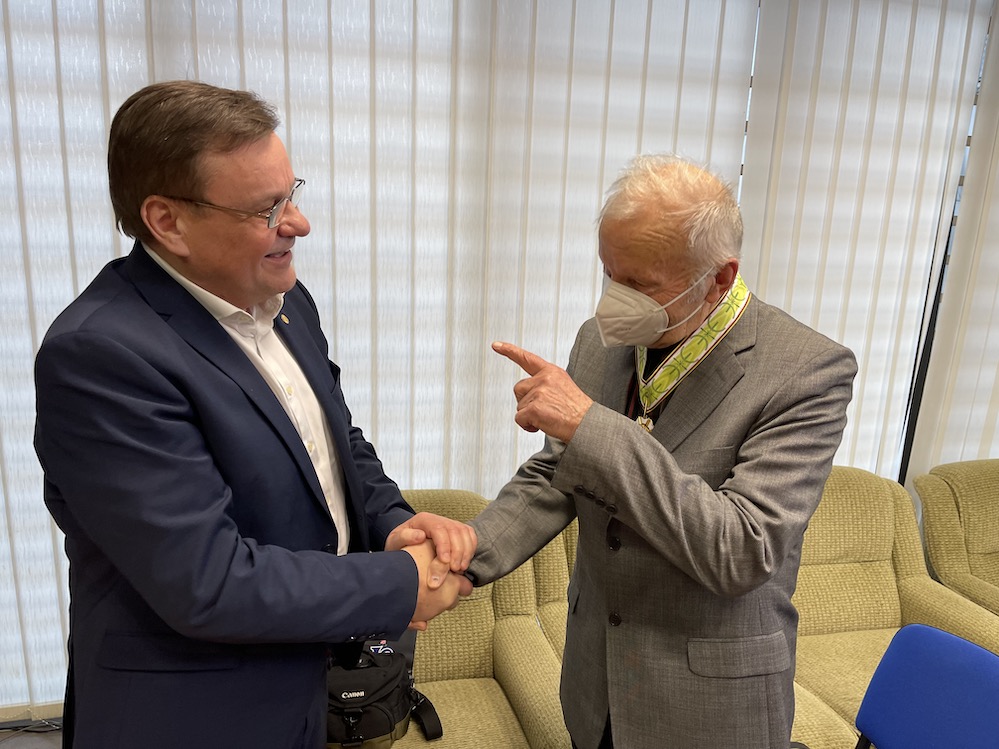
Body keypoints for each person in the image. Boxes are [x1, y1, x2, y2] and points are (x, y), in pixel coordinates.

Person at [34, 80, 474, 749]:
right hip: (188, 716)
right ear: (167, 221)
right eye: (267, 209)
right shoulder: (100, 355)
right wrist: (400, 581)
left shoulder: (287, 303)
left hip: (300, 688)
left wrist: (393, 522)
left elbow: (334, 443)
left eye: (290, 193)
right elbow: (207, 580)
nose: (298, 223)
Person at [466, 154, 858, 749]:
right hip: (596, 684)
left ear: (720, 278)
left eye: (640, 286)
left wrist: (592, 427)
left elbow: (741, 549)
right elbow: (561, 471)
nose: (613, 303)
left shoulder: (807, 371)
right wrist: (467, 551)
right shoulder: (600, 342)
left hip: (708, 707)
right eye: (609, 275)